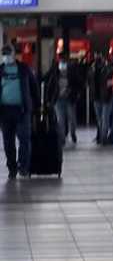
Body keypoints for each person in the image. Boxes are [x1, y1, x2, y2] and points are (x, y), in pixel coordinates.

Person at [0, 45, 38, 179]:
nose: (6, 56)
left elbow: (34, 87)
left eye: (8, 53)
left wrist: (37, 106)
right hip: (5, 111)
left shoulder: (24, 69)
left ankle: (23, 166)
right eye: (3, 53)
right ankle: (12, 168)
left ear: (14, 54)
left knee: (25, 139)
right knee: (8, 142)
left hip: (22, 110)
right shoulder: (0, 69)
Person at [43, 58, 84, 145]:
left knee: (72, 119)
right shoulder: (55, 74)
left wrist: (74, 92)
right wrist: (48, 100)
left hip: (70, 99)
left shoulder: (72, 74)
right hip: (58, 100)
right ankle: (62, 138)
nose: (63, 69)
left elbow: (79, 84)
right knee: (60, 120)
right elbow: (49, 85)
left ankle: (72, 132)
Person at [90, 53, 113, 144]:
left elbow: (89, 82)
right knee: (104, 118)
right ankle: (103, 138)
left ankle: (102, 137)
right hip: (104, 97)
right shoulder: (108, 69)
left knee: (101, 119)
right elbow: (110, 83)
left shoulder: (92, 69)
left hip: (98, 96)